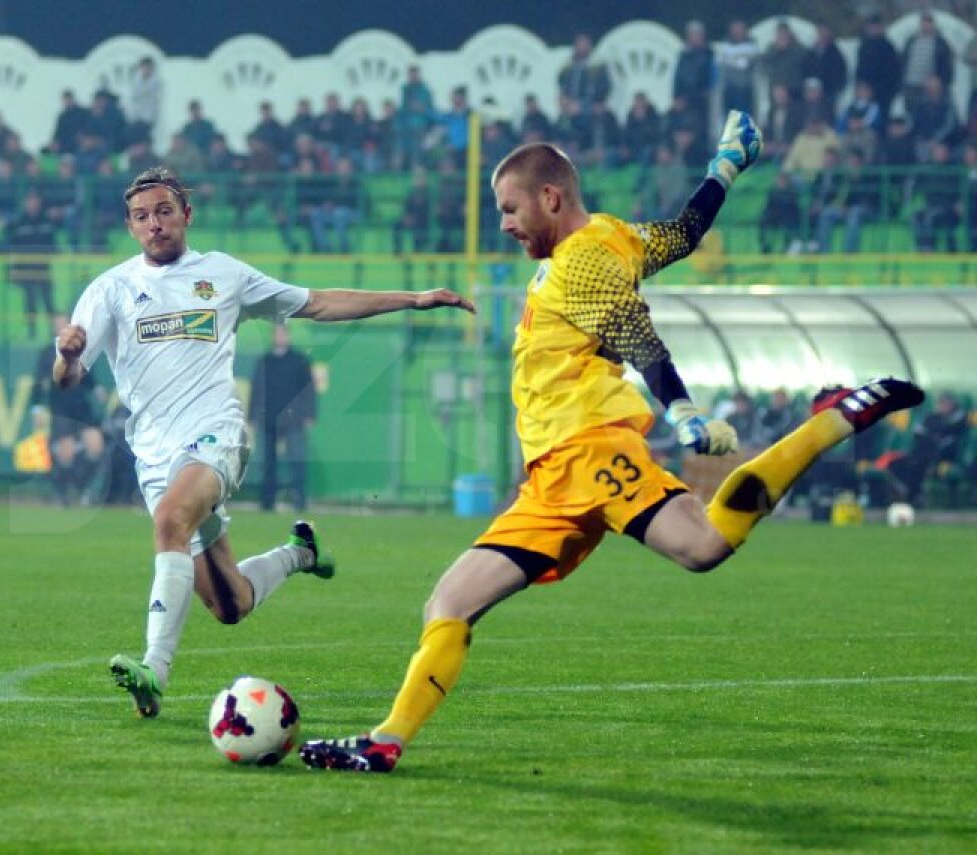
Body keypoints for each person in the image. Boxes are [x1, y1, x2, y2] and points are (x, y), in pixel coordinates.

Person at [298, 113, 925, 773]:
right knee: (449, 601)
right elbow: (683, 234)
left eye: (510, 209)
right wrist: (726, 167)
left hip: (593, 453)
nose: (504, 224)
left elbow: (634, 331)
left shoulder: (581, 260)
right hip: (552, 479)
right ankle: (385, 741)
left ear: (551, 197)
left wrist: (681, 408)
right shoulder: (616, 237)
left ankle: (835, 419)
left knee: (704, 545)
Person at [52, 166, 474, 719]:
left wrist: (412, 299)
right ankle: (301, 553)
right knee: (229, 604)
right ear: (130, 227)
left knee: (169, 524)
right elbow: (68, 378)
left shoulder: (222, 275)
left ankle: (155, 668)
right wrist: (66, 354)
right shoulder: (109, 290)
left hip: (217, 436)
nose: (154, 223)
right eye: (141, 216)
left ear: (186, 215)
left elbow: (318, 302)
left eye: (163, 211)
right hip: (153, 456)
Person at [33, 315, 105, 505]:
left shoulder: (80, 349)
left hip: (82, 408)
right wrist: (37, 408)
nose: (62, 327)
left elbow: (88, 376)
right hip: (61, 409)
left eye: (65, 323)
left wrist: (96, 389)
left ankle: (83, 487)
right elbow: (39, 383)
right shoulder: (48, 353)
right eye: (58, 324)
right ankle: (62, 490)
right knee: (66, 452)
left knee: (96, 445)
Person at [249, 324, 316, 512]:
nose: (279, 337)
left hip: (293, 420)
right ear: (273, 336)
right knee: (268, 463)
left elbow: (309, 390)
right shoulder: (265, 361)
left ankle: (299, 502)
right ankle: (267, 503)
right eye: (276, 333)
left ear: (288, 336)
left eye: (282, 333)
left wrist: (309, 414)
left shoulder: (300, 360)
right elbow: (257, 390)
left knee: (297, 460)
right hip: (268, 418)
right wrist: (252, 416)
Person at [5, 189, 58, 337]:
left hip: (43, 268)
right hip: (25, 269)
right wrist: (13, 269)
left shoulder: (46, 222)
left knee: (48, 301)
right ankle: (31, 331)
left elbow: (53, 245)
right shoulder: (18, 223)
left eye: (35, 200)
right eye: (30, 200)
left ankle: (52, 332)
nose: (33, 204)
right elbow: (11, 247)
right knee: (29, 301)